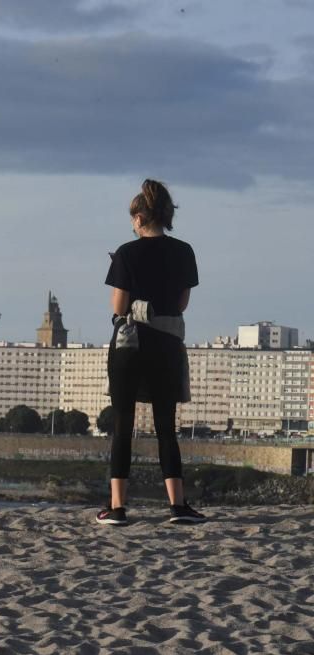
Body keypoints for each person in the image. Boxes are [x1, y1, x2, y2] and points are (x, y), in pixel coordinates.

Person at [97, 179, 206, 526]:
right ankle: (178, 506)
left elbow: (119, 304)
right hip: (166, 343)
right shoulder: (184, 251)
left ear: (141, 217)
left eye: (133, 219)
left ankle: (117, 508)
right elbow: (182, 302)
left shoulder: (126, 253)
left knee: (123, 424)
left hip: (130, 342)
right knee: (165, 426)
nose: (131, 224)